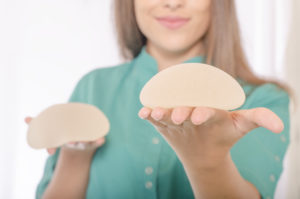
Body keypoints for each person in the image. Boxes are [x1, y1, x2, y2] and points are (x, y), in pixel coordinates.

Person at [25, 0, 290, 198]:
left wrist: (207, 161)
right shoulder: (93, 87)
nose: (173, 3)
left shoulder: (262, 101)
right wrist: (75, 154)